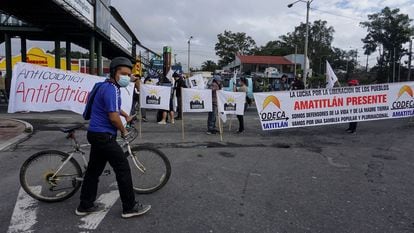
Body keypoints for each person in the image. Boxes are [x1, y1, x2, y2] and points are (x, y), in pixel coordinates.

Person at [76, 57, 151, 218]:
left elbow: (115, 108)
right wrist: (123, 130)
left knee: (93, 171)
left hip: (96, 134)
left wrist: (127, 116)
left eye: (128, 74)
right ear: (113, 73)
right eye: (122, 73)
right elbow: (113, 117)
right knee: (122, 169)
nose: (126, 76)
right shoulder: (110, 89)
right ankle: (129, 207)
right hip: (104, 136)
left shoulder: (109, 86)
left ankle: (85, 205)